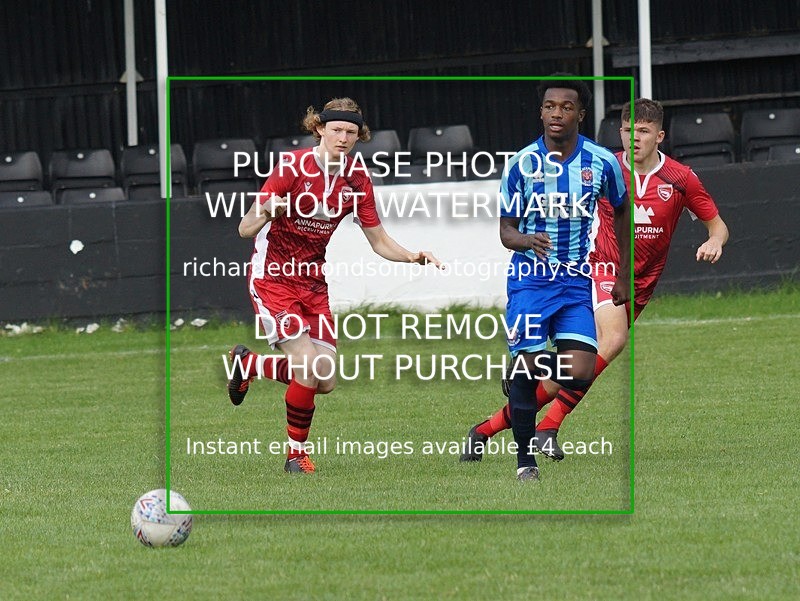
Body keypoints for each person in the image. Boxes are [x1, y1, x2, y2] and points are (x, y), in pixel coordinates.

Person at [460, 97, 729, 463]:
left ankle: (485, 430)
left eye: (644, 132)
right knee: (613, 340)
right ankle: (548, 427)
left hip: (641, 284)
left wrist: (714, 240)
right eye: (628, 130)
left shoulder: (681, 178)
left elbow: (718, 226)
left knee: (572, 371)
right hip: (598, 267)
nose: (634, 138)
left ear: (660, 136)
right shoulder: (603, 165)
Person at [228, 97, 441, 474]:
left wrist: (411, 256)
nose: (343, 138)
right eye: (336, 129)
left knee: (324, 380)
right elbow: (245, 229)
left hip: (313, 283)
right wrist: (267, 211)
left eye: (351, 132)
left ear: (360, 136)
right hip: (274, 277)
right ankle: (296, 455)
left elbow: (378, 239)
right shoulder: (292, 166)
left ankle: (249, 364)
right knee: (307, 366)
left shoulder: (357, 179)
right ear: (320, 129)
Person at [480, 75, 631, 481]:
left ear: (580, 114)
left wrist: (621, 273)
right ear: (541, 112)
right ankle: (525, 464)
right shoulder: (520, 165)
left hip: (576, 282)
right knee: (531, 374)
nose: (556, 114)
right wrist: (528, 239)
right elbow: (505, 232)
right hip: (529, 282)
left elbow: (621, 211)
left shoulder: (601, 162)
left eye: (566, 107)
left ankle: (521, 372)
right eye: (550, 107)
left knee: (581, 370)